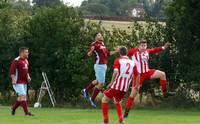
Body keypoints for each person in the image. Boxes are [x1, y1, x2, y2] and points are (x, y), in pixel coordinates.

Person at [124, 39, 175, 118]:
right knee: (133, 93)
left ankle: (165, 94)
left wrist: (164, 47)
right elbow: (124, 52)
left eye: (145, 45)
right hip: (138, 75)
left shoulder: (147, 52)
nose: (143, 47)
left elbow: (155, 50)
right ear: (139, 46)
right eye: (142, 45)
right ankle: (126, 111)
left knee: (162, 74)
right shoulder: (134, 51)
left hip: (147, 72)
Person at [101, 46, 140, 124]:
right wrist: (137, 85)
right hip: (125, 88)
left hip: (116, 86)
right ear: (127, 53)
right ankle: (121, 121)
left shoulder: (118, 60)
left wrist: (111, 83)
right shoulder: (132, 63)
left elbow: (115, 72)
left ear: (120, 53)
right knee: (117, 102)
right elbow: (138, 75)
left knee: (104, 100)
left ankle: (105, 122)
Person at [81, 32, 118, 108]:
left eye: (101, 35)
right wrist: (91, 51)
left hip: (103, 65)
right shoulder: (94, 44)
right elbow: (89, 54)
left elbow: (107, 54)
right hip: (99, 65)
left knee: (97, 81)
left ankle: (85, 90)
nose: (100, 36)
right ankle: (92, 98)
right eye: (98, 35)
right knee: (101, 84)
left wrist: (117, 51)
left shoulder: (102, 44)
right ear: (95, 37)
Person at [10, 47, 34, 116]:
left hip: (24, 82)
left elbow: (26, 71)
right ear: (22, 53)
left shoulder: (26, 61)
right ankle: (27, 112)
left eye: (27, 52)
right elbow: (12, 72)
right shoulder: (16, 61)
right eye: (26, 52)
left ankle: (13, 108)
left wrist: (28, 76)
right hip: (17, 82)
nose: (28, 53)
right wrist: (13, 79)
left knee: (21, 98)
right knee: (23, 96)